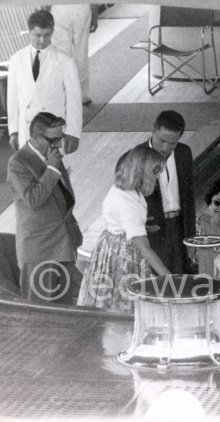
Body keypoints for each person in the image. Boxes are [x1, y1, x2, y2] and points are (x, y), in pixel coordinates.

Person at [77, 145, 170, 311]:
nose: (157, 179)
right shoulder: (128, 202)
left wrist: (143, 226)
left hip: (110, 246)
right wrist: (167, 276)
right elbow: (145, 248)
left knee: (110, 299)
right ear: (144, 172)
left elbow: (121, 220)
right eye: (155, 173)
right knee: (124, 301)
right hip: (123, 256)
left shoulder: (122, 189)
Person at [7, 112, 82, 304]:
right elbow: (34, 199)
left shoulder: (52, 155)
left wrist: (73, 230)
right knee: (39, 318)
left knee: (65, 311)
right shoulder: (18, 163)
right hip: (39, 251)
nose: (58, 144)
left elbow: (62, 198)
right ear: (35, 136)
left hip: (62, 245)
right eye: (53, 139)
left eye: (60, 138)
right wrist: (52, 169)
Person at [7, 9, 82, 153]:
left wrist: (73, 133)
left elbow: (74, 99)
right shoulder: (16, 59)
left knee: (54, 172)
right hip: (26, 131)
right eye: (37, 35)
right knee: (29, 172)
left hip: (52, 132)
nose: (42, 40)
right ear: (29, 32)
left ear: (52, 32)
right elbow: (13, 100)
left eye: (47, 35)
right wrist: (14, 131)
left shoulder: (65, 61)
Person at [140, 111, 195, 274]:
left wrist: (191, 233)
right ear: (153, 131)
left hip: (180, 226)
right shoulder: (137, 157)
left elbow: (189, 196)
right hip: (153, 228)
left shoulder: (184, 153)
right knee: (158, 278)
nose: (165, 148)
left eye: (172, 143)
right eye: (162, 141)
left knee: (183, 276)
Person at [49, 4, 99, 105]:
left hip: (60, 10)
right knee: (81, 52)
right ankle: (83, 96)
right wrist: (95, 15)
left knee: (62, 54)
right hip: (82, 8)